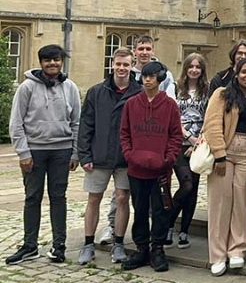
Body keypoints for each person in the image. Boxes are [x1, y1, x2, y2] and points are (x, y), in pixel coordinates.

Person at [6, 44, 81, 265]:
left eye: (56, 59)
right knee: (32, 197)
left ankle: (59, 246)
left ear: (61, 61)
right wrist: (23, 152)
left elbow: (76, 122)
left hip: (61, 151)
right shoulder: (27, 87)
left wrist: (75, 152)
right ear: (41, 62)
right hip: (34, 151)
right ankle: (30, 245)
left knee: (58, 197)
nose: (52, 64)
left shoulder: (70, 88)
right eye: (48, 60)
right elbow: (16, 122)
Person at [76, 48, 143, 265]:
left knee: (123, 199)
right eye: (118, 64)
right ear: (112, 64)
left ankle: (119, 243)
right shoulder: (97, 92)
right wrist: (84, 154)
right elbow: (86, 124)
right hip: (99, 155)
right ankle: (88, 244)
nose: (122, 68)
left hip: (125, 157)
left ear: (132, 66)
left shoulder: (139, 93)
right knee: (94, 198)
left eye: (126, 64)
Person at [203, 58, 246, 276]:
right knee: (220, 203)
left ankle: (238, 250)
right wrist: (220, 155)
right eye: (244, 72)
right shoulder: (222, 94)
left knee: (243, 204)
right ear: (237, 73)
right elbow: (212, 124)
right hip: (225, 152)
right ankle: (218, 254)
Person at [119, 62, 182, 272]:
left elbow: (175, 135)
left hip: (160, 169)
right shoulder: (131, 104)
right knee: (140, 210)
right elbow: (124, 133)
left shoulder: (170, 105)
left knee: (160, 210)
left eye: (152, 76)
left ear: (160, 78)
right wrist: (129, 155)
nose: (148, 80)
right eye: (145, 76)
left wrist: (169, 158)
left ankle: (157, 249)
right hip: (136, 168)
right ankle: (141, 248)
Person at [168, 53, 209, 250]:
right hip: (178, 141)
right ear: (185, 68)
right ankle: (168, 223)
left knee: (193, 188)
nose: (194, 70)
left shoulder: (207, 90)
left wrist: (197, 142)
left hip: (198, 145)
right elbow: (171, 115)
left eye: (198, 67)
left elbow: (209, 117)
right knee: (185, 185)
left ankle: (184, 231)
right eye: (191, 66)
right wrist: (188, 138)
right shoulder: (175, 87)